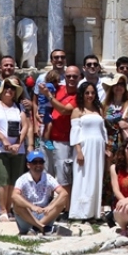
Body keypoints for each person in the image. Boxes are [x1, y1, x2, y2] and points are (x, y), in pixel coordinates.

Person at [0, 77, 29, 221]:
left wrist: (18, 142)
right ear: (1, 89)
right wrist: (3, 140)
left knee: (14, 180)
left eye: (12, 88)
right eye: (7, 87)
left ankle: (10, 208)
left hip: (17, 149)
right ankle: (2, 209)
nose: (9, 90)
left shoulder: (19, 106)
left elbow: (25, 126)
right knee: (2, 179)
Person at [69, 81, 108, 221]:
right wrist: (79, 151)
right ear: (82, 94)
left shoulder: (99, 109)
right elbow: (74, 133)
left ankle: (94, 212)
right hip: (85, 147)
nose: (90, 95)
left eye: (92, 93)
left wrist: (106, 147)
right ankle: (80, 212)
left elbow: (103, 131)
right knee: (83, 178)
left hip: (98, 148)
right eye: (87, 93)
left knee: (96, 178)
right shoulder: (77, 111)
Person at [45, 65, 83, 193]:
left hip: (63, 141)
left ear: (80, 78)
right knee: (46, 172)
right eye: (68, 76)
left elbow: (64, 110)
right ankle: (46, 203)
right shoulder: (58, 88)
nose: (71, 79)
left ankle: (66, 208)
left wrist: (49, 96)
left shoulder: (79, 96)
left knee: (63, 176)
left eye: (74, 76)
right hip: (47, 139)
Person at [12, 151, 68, 235]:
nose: (38, 165)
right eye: (35, 162)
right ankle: (42, 228)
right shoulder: (22, 179)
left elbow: (64, 193)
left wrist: (50, 207)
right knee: (17, 205)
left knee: (61, 201)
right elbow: (14, 195)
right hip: (28, 215)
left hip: (44, 214)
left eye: (41, 162)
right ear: (28, 165)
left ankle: (35, 228)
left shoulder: (48, 177)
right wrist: (32, 206)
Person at [103, 73, 128, 157]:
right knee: (110, 169)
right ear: (112, 87)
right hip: (108, 144)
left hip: (127, 143)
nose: (119, 87)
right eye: (116, 84)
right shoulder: (105, 104)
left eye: (121, 84)